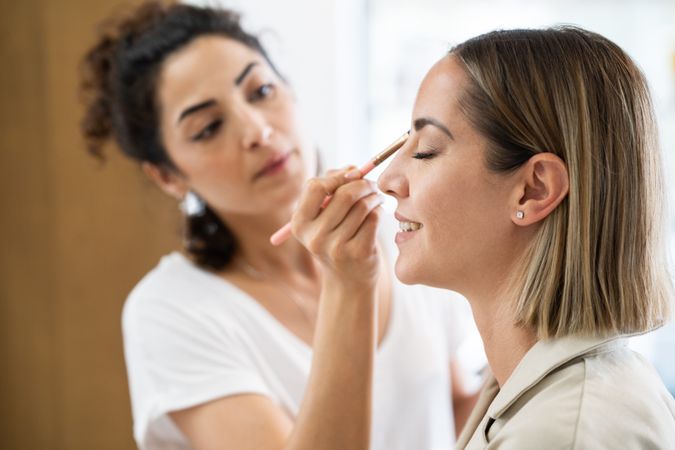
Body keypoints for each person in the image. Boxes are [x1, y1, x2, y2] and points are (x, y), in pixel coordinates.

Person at [79, 2, 477, 449]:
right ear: (168, 176)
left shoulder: (398, 231)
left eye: (261, 90)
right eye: (209, 127)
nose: (257, 131)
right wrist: (349, 286)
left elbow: (453, 409)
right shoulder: (171, 310)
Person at [375, 26, 675, 448]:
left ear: (534, 189)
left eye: (425, 150)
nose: (387, 180)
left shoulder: (562, 431)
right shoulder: (524, 393)